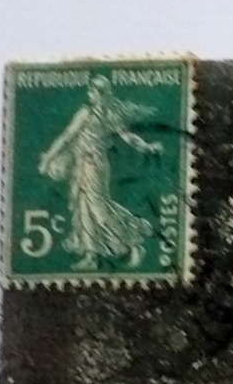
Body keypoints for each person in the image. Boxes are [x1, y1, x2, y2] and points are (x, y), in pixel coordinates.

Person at [38, 76, 161, 271]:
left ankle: (132, 245)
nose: (90, 95)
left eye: (93, 92)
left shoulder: (90, 113)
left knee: (98, 208)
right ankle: (91, 256)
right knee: (83, 207)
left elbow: (67, 136)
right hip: (84, 164)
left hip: (94, 165)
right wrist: (147, 146)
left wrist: (47, 159)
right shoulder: (104, 113)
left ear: (99, 94)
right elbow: (69, 137)